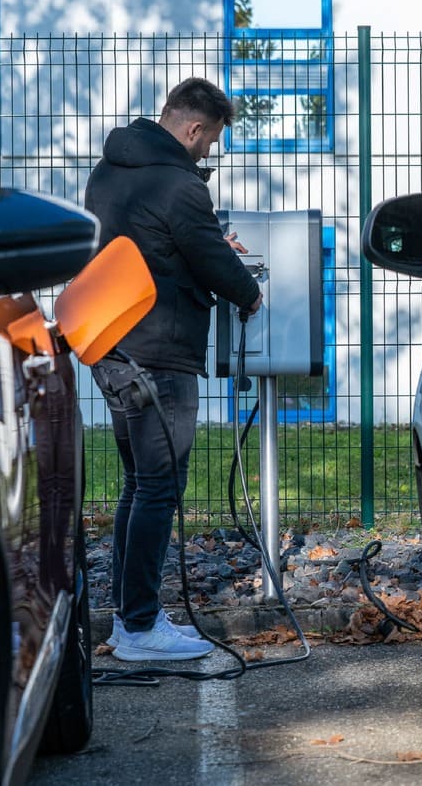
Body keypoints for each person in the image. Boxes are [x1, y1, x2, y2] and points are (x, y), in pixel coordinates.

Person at [85, 77, 262, 662]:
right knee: (159, 488)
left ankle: (129, 620)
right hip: (161, 353)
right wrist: (249, 294)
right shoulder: (181, 185)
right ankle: (140, 627)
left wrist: (205, 244)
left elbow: (154, 246)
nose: (209, 151)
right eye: (210, 140)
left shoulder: (109, 171)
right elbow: (206, 257)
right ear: (194, 128)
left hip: (113, 346)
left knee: (139, 485)